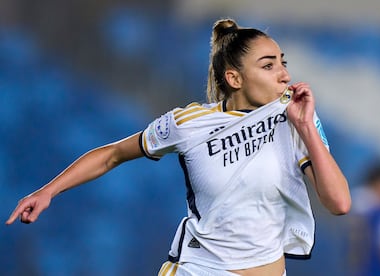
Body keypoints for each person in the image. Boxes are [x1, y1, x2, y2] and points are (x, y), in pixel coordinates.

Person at [6, 18, 351, 276]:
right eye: (269, 65)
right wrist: (49, 191)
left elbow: (339, 203)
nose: (284, 75)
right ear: (234, 78)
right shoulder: (188, 124)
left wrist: (306, 126)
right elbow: (113, 154)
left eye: (283, 62)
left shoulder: (293, 119)